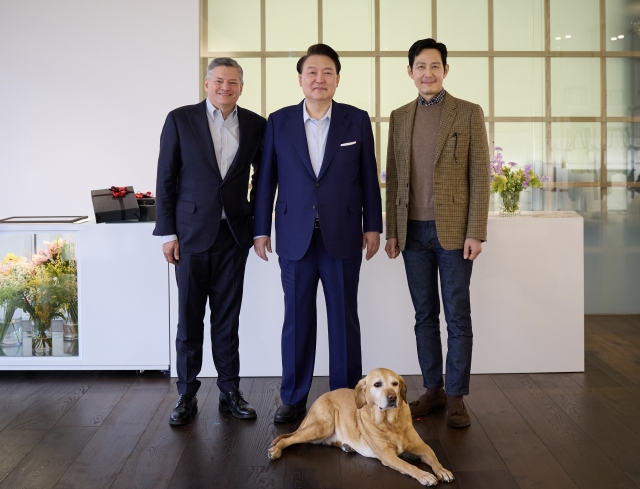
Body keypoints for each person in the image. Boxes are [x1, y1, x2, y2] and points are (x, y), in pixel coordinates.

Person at [253, 44, 383, 423]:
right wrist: (261, 230)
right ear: (300, 79)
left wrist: (372, 225)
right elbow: (265, 182)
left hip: (342, 235)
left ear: (337, 79)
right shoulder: (278, 122)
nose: (319, 79)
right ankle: (293, 397)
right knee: (297, 319)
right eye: (312, 72)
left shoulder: (356, 121)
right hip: (294, 238)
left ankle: (346, 397)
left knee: (344, 319)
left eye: (327, 72)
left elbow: (368, 180)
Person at [154, 58, 266, 426]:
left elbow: (264, 182)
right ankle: (186, 394)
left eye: (232, 82)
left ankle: (229, 391)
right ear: (206, 84)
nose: (225, 87)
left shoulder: (255, 125)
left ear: (241, 87)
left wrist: (256, 222)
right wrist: (168, 233)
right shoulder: (180, 119)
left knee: (227, 319)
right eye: (218, 80)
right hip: (189, 237)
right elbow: (165, 178)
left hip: (233, 236)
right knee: (189, 319)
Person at [384, 38, 490, 428]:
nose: (427, 73)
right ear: (410, 71)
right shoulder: (398, 116)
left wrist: (475, 231)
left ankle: (457, 396)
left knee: (458, 316)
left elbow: (480, 174)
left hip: (453, 233)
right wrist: (392, 231)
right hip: (412, 233)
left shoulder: (467, 113)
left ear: (445, 70)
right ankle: (433, 390)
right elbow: (394, 177)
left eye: (434, 66)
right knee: (424, 316)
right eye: (420, 67)